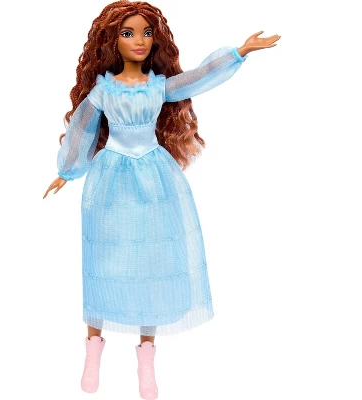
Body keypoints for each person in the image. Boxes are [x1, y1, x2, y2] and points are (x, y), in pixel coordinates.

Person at [43, 1, 280, 398]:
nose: (139, 41)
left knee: (151, 261)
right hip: (110, 179)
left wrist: (239, 51)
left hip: (155, 178)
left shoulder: (158, 86)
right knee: (103, 260)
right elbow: (82, 128)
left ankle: (146, 361)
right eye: (128, 33)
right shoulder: (103, 90)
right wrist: (66, 172)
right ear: (112, 41)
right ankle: (93, 353)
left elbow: (197, 78)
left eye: (146, 33)